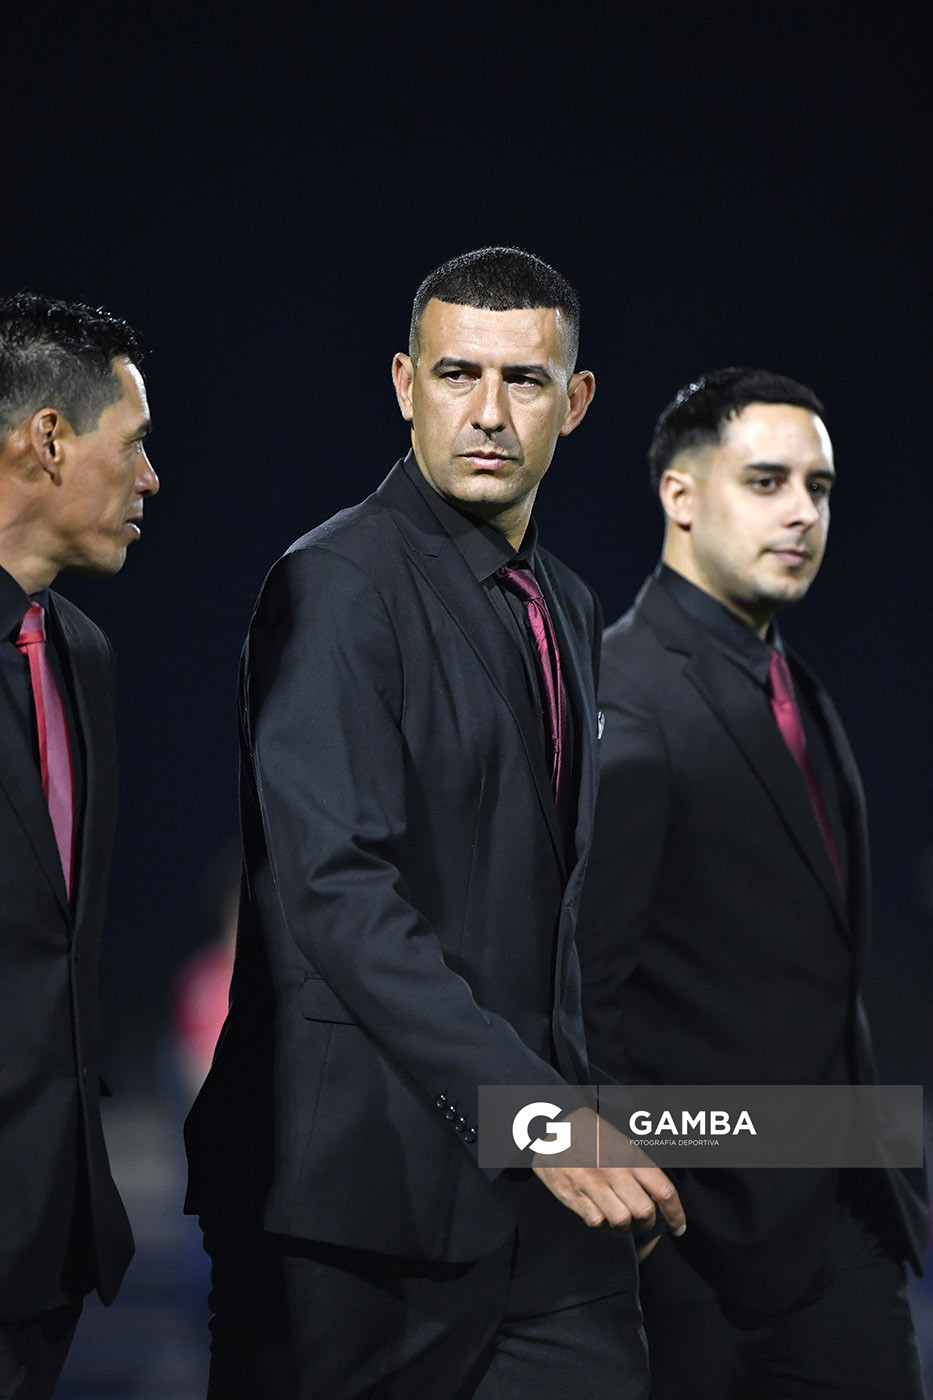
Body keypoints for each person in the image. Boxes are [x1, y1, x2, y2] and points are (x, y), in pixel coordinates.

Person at [184, 246, 684, 1399]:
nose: (490, 413)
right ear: (405, 383)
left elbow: (543, 915)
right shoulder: (335, 582)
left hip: (539, 1208)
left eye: (524, 380)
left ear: (579, 400)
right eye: (459, 374)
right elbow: (338, 894)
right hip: (358, 1208)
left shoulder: (569, 601)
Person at [577, 367, 927, 1398]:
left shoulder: (789, 685)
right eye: (767, 480)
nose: (802, 513)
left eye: (818, 488)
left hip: (832, 1218)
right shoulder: (628, 696)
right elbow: (579, 987)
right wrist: (631, 1205)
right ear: (680, 496)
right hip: (690, 1246)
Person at [0, 292, 159, 1398]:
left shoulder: (83, 652)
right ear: (45, 438)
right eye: (134, 444)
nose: (150, 480)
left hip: (45, 1242)